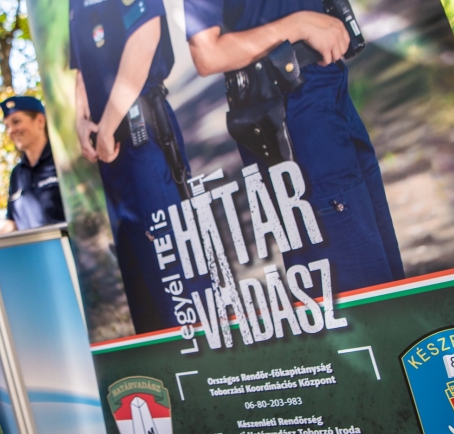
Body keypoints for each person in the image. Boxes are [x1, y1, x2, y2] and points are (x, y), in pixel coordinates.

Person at [183, 0, 405, 295]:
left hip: (331, 89)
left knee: (389, 283)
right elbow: (207, 54)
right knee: (358, 293)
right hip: (290, 109)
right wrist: (298, 25)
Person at [70, 0, 206, 332]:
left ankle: (207, 358)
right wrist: (80, 119)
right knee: (142, 285)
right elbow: (81, 69)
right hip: (111, 155)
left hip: (143, 136)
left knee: (176, 271)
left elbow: (144, 38)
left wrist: (107, 126)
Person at [0, 96, 66, 234]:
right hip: (31, 247)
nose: (11, 130)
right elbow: (12, 224)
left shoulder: (63, 160)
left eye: (16, 122)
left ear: (40, 121)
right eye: (7, 126)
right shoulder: (17, 174)